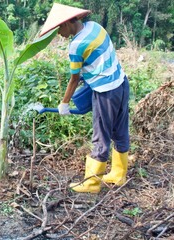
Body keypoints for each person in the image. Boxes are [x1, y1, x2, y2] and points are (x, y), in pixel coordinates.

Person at [40, 3, 130, 193]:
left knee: (101, 136)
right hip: (121, 82)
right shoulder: (95, 27)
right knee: (120, 130)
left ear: (66, 24)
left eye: (58, 29)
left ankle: (91, 184)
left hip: (105, 92)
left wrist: (64, 104)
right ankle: (118, 174)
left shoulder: (76, 45)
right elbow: (95, 62)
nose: (58, 34)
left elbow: (74, 79)